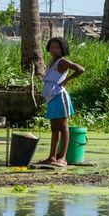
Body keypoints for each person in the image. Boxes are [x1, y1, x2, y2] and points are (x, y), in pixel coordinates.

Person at [38, 37, 84, 166]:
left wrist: (66, 80)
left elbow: (80, 69)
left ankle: (63, 158)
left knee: (63, 127)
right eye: (52, 47)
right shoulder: (52, 61)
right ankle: (52, 156)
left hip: (59, 96)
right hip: (51, 97)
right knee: (54, 128)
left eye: (57, 47)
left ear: (62, 49)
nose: (54, 49)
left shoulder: (62, 62)